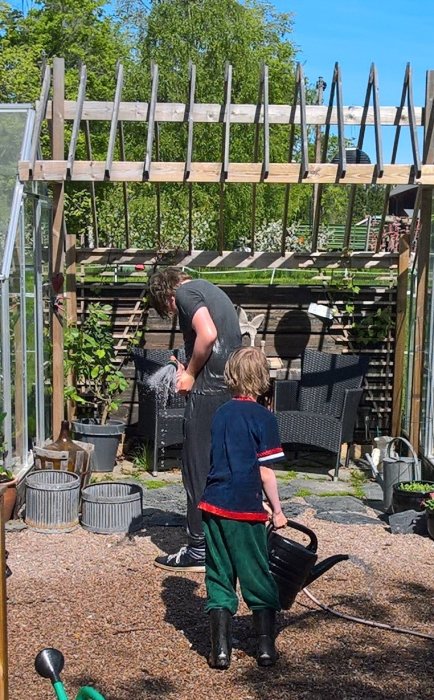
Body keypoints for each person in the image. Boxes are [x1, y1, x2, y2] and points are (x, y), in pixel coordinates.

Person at [147, 267, 242, 572]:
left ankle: (198, 548)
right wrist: (187, 365)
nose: (174, 312)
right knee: (220, 467)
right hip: (226, 389)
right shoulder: (209, 290)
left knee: (196, 468)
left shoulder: (186, 292)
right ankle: (222, 544)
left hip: (209, 393)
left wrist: (189, 374)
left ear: (167, 296)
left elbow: (209, 335)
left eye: (168, 309)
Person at [198, 347, 287, 670]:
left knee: (219, 574)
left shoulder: (221, 413)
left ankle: (220, 651)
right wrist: (276, 510)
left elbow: (226, 461)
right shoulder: (264, 418)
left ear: (231, 375)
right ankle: (265, 648)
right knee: (255, 574)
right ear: (262, 379)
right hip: (245, 512)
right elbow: (264, 471)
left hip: (214, 503)